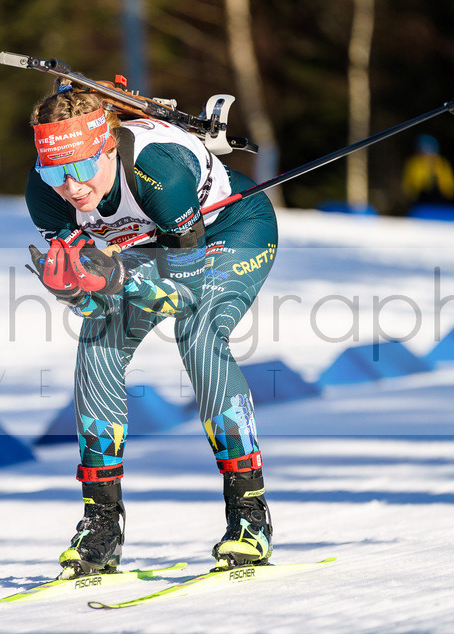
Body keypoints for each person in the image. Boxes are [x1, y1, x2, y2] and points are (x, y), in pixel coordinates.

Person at [24, 80, 279, 578]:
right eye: (53, 170)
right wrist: (77, 289)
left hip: (230, 229)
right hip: (146, 251)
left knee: (200, 336)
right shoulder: (46, 196)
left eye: (78, 167)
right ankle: (101, 525)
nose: (70, 186)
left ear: (107, 147)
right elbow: (95, 295)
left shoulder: (156, 169)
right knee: (97, 344)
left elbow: (183, 292)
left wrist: (112, 276)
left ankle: (249, 515)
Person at [402, 134, 454, 207]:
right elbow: (409, 187)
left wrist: (440, 185)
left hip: (441, 204)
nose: (427, 155)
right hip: (420, 203)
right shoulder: (414, 163)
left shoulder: (442, 163)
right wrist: (425, 183)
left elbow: (450, 188)